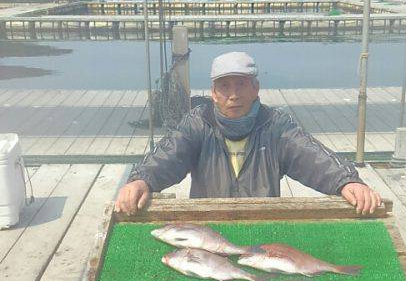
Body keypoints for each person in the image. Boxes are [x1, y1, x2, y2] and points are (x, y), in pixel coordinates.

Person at [115, 51, 381, 215]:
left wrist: (347, 181)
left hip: (263, 229)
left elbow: (310, 156)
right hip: (208, 227)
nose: (233, 95)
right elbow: (169, 155)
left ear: (256, 88)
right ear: (213, 93)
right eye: (225, 86)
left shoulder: (276, 125)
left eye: (241, 85)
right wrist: (141, 181)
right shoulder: (197, 123)